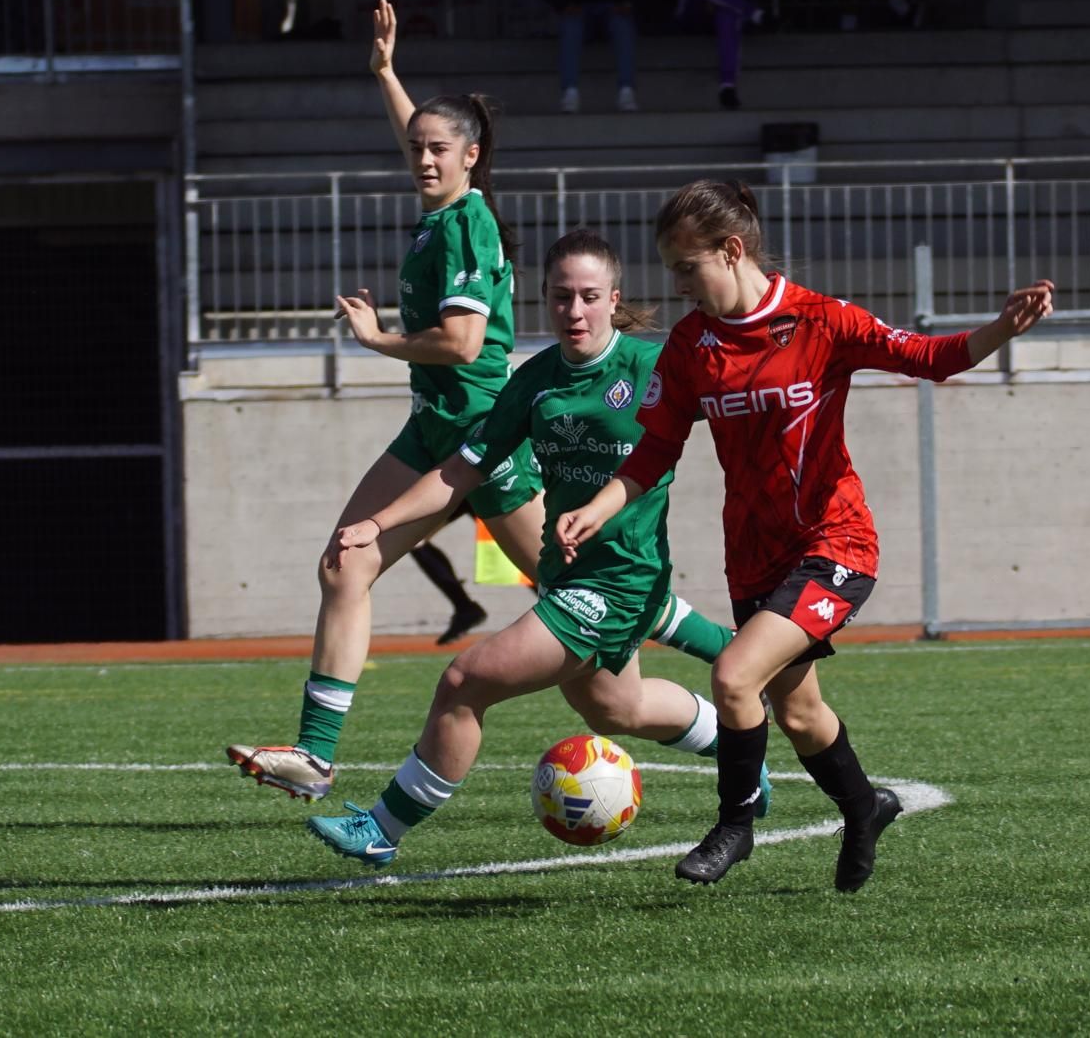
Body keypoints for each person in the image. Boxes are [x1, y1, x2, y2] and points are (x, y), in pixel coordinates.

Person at [557, 180, 1054, 891]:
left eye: (686, 267)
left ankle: (735, 822)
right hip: (753, 554)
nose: (679, 285)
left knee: (733, 676)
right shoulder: (692, 346)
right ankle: (865, 806)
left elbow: (929, 357)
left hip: (835, 543)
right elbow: (653, 451)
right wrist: (599, 507)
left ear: (732, 250)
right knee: (799, 709)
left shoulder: (820, 320)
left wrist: (1001, 328)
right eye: (671, 270)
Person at [303, 229, 769, 867]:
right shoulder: (535, 380)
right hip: (567, 574)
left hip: (617, 584)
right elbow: (459, 472)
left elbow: (742, 395)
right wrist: (377, 524)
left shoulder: (654, 365)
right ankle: (744, 760)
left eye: (588, 297)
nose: (573, 311)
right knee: (616, 708)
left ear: (613, 299)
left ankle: (382, 828)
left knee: (465, 682)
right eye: (560, 298)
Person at [224, 0, 548, 801]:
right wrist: (385, 73)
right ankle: (315, 757)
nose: (424, 159)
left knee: (592, 591)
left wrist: (378, 343)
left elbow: (463, 345)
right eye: (416, 148)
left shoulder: (467, 226)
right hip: (434, 426)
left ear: (471, 157)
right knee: (346, 560)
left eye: (439, 149)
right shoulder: (440, 207)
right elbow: (425, 134)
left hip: (481, 435)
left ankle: (728, 680)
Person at [541, 0, 640, 113]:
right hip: (577, 6)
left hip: (614, 6)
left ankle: (626, 90)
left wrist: (630, 3)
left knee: (623, 28)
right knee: (571, 29)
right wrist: (562, 5)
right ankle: (570, 91)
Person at [672, 0, 764, 109]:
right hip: (692, 9)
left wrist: (718, 1)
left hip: (725, 8)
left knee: (727, 16)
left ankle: (727, 86)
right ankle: (755, 14)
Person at [408, 502, 490, 646]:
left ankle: (543, 605)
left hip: (490, 486)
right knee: (415, 539)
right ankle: (465, 608)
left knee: (518, 545)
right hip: (462, 490)